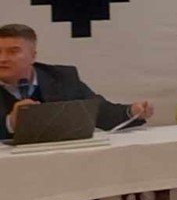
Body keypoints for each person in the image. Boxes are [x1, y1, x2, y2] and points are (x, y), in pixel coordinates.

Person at [0, 23, 153, 138]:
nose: (2, 59)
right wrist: (10, 123)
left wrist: (132, 111)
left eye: (13, 52)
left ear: (33, 56)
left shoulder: (61, 78)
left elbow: (100, 112)